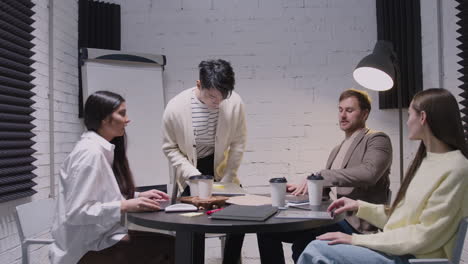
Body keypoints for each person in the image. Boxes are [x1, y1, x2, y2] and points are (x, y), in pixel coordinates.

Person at [298, 88, 468, 264]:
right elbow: (401, 218)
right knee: (313, 243)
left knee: (316, 250)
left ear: (423, 117)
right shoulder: (427, 161)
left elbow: (423, 236)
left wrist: (356, 240)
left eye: (409, 115)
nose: (407, 122)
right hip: (398, 250)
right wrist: (359, 206)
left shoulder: (455, 168)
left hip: (413, 258)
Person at [257, 89, 392, 263]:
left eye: (349, 110)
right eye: (340, 110)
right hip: (328, 217)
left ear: (365, 114)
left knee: (305, 242)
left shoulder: (376, 139)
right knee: (267, 230)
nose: (343, 115)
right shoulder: (337, 149)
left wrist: (320, 175)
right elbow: (327, 190)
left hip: (353, 223)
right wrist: (302, 190)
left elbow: (369, 173)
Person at [49, 91, 175, 264]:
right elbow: (77, 212)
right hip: (83, 250)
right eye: (122, 113)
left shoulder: (100, 150)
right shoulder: (90, 154)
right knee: (170, 247)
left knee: (170, 245)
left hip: (99, 239)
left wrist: (137, 197)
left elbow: (100, 193)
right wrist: (125, 205)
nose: (127, 119)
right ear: (103, 119)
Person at [162, 59, 246, 263]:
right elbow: (169, 148)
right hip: (191, 170)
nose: (217, 102)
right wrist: (193, 175)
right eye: (211, 96)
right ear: (199, 85)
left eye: (222, 96)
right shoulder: (175, 107)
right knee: (192, 224)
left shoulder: (234, 102)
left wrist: (227, 178)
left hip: (221, 169)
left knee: (241, 214)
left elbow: (238, 143)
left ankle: (231, 261)